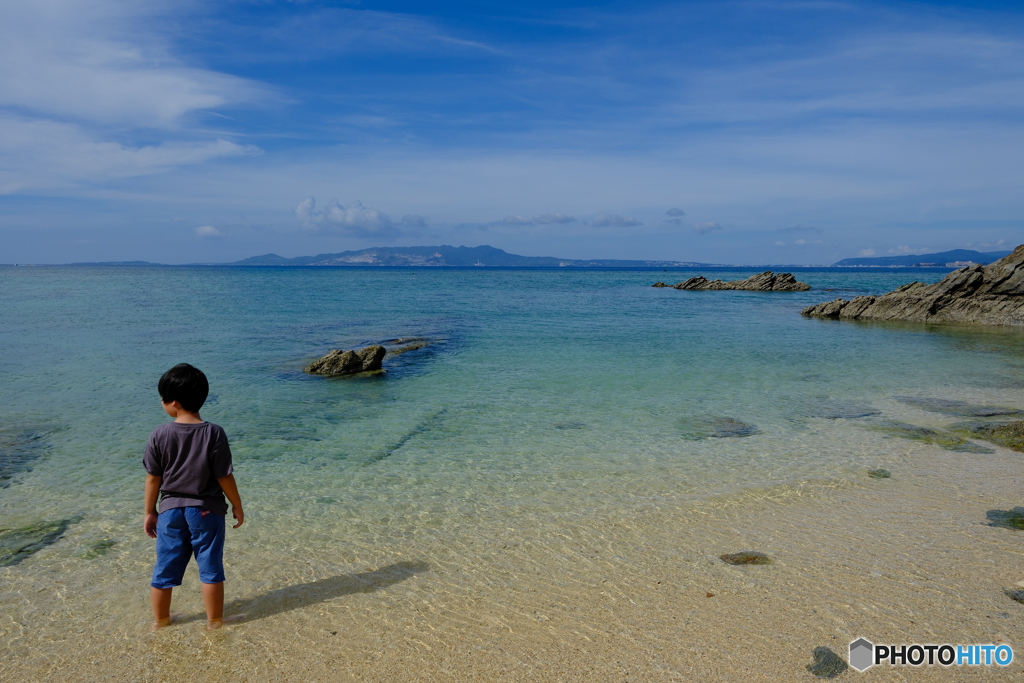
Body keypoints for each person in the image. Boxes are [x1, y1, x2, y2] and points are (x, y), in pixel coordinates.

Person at [143, 363, 244, 630]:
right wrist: (237, 504)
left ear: (173, 402)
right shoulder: (214, 433)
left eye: (163, 400)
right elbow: (224, 476)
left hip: (170, 511)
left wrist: (150, 511)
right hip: (206, 511)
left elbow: (153, 478)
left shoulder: (159, 434)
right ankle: (214, 623)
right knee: (210, 569)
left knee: (164, 569)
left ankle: (161, 622)